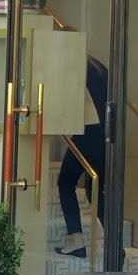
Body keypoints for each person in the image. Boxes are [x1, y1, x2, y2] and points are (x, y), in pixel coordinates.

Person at [55, 56, 109, 257]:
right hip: (107, 133)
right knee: (97, 189)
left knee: (65, 182)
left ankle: (77, 240)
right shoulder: (99, 67)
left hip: (88, 132)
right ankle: (114, 244)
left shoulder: (76, 66)